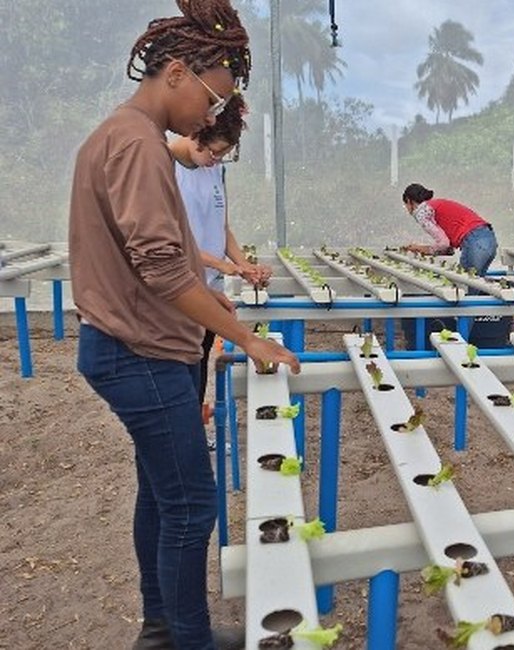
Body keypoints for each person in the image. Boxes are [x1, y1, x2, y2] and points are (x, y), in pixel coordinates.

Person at [68, 1, 299, 649]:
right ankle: (185, 641)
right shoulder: (137, 146)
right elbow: (165, 270)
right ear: (175, 73)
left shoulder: (124, 139)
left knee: (163, 495)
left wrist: (216, 310)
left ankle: (163, 628)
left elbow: (158, 263)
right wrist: (248, 337)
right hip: (138, 353)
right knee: (192, 505)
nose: (210, 117)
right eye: (211, 98)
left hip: (132, 346)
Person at [169, 92, 272, 422]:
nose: (216, 161)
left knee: (198, 371)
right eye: (213, 153)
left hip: (209, 291)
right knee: (177, 378)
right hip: (178, 293)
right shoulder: (163, 166)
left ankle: (192, 433)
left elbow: (221, 226)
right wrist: (219, 264)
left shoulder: (214, 171)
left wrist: (242, 265)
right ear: (195, 133)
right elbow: (170, 242)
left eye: (223, 156)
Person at [400, 183, 498, 275]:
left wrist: (422, 249)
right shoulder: (435, 205)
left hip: (474, 241)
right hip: (489, 239)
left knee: (464, 287)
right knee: (477, 288)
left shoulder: (421, 212)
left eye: (406, 205)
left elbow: (443, 243)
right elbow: (448, 248)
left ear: (409, 201)